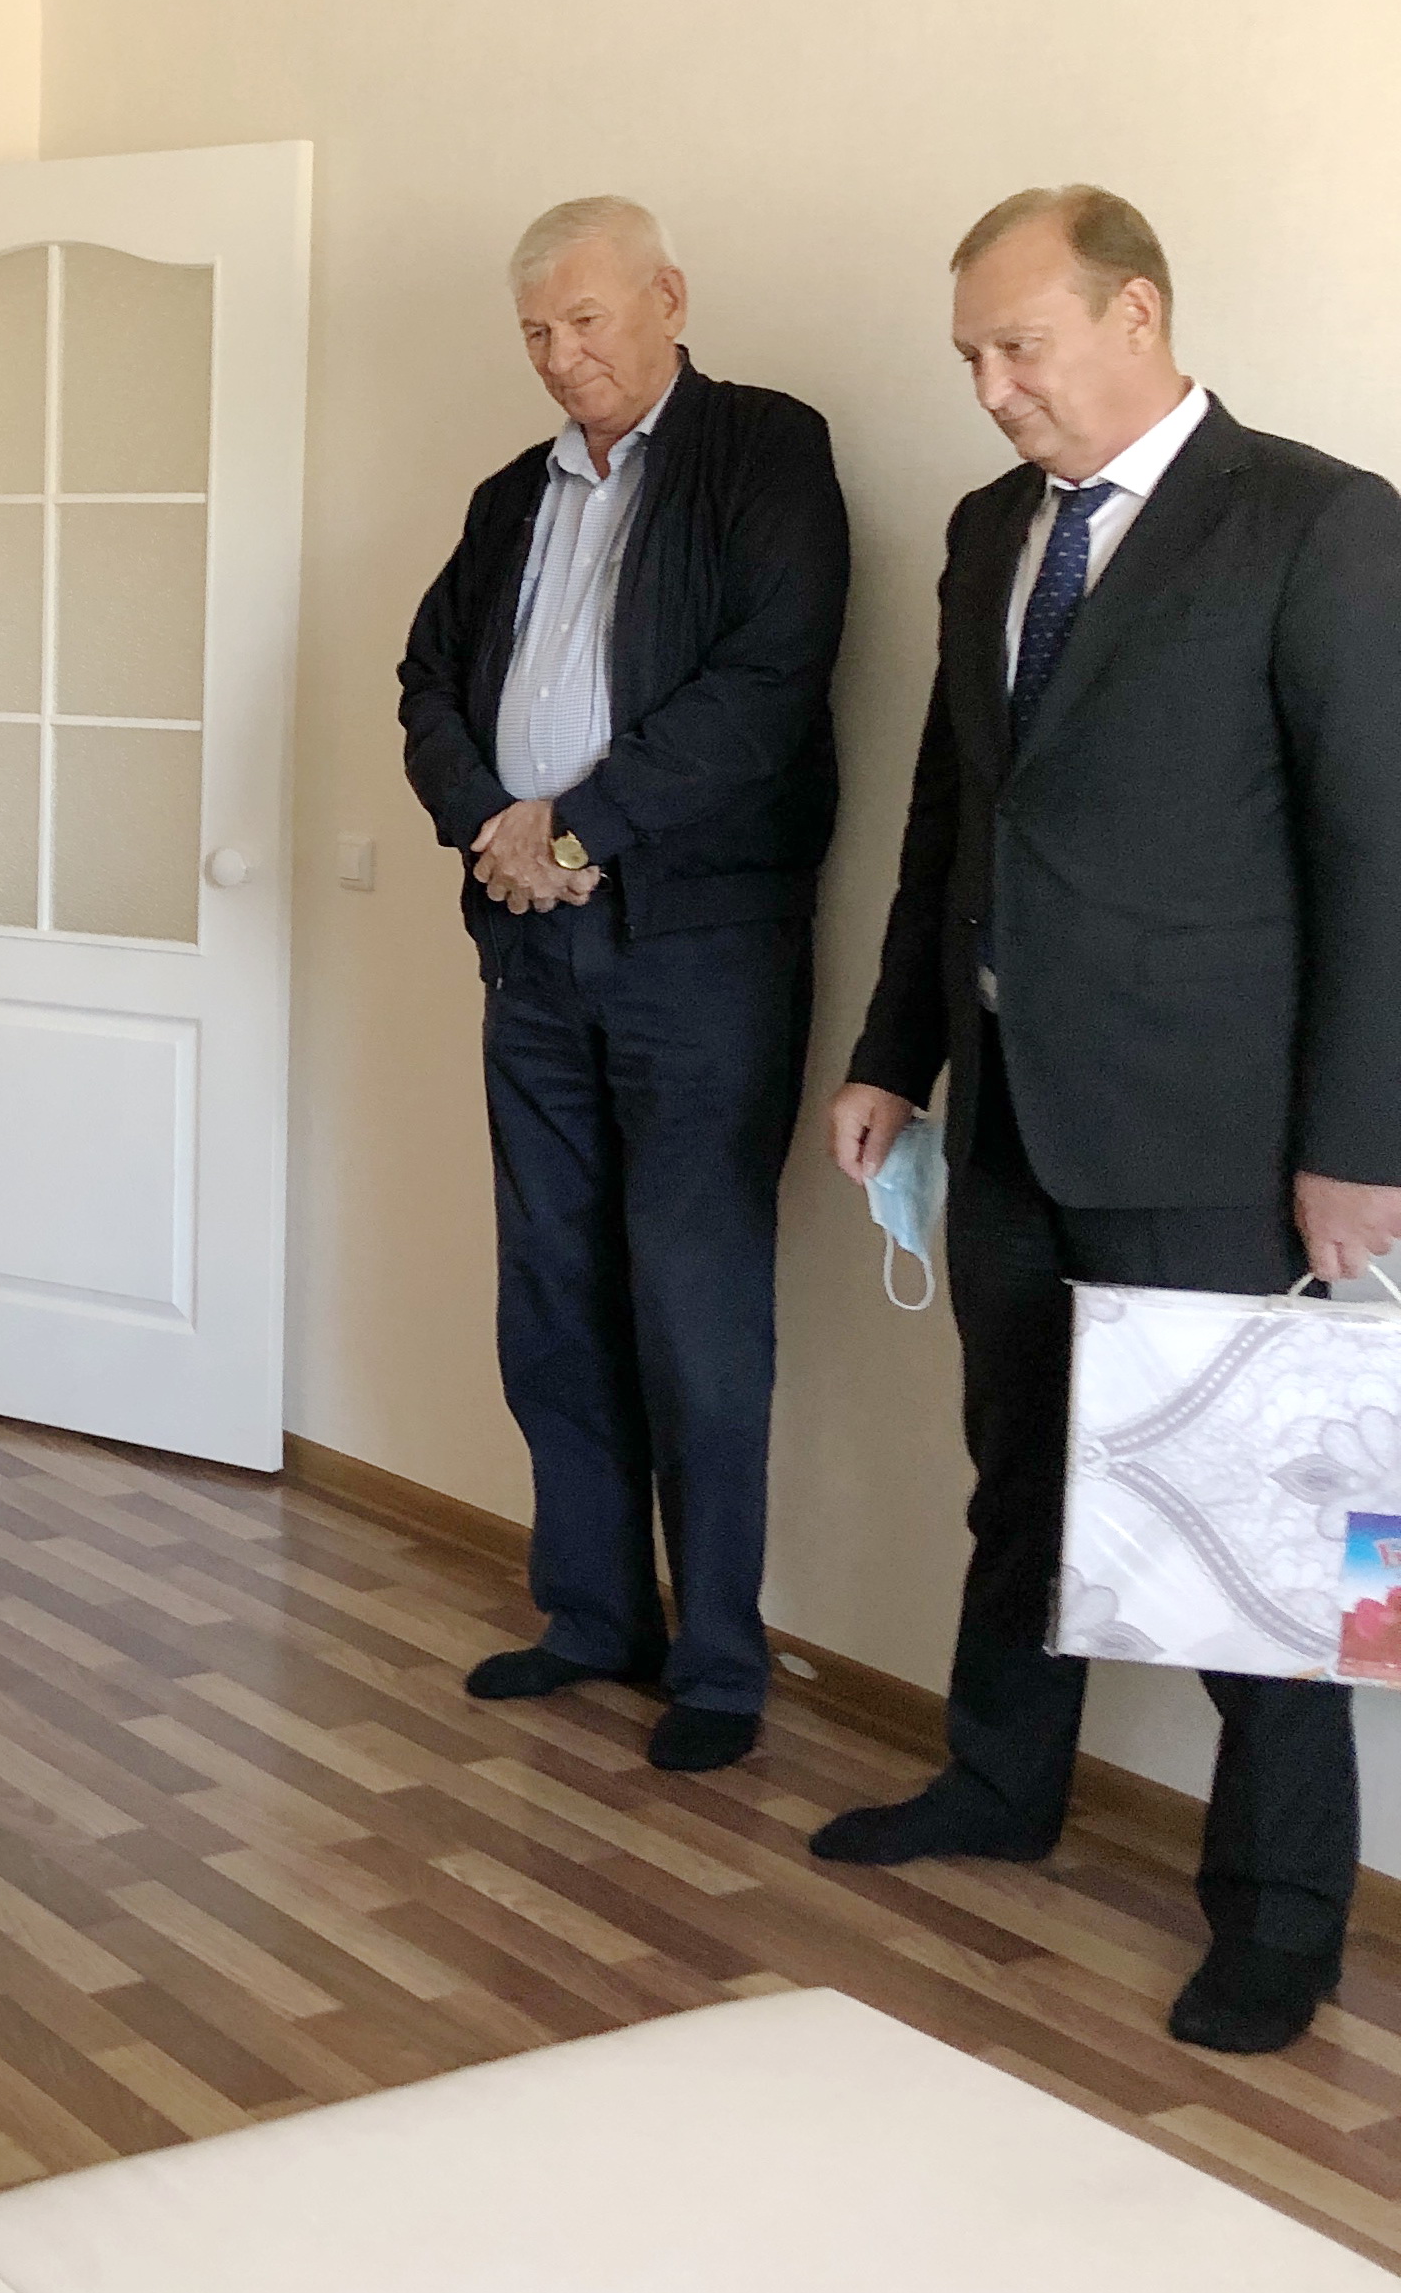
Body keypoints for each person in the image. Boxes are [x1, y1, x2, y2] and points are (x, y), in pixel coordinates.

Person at [814, 188, 1401, 2055]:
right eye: (970, 357)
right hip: (1006, 1118)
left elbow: (1377, 854)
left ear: (1133, 312)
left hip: (1214, 1135)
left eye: (1019, 347)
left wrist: (1359, 1144)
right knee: (1021, 1484)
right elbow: (949, 818)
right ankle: (1000, 1783)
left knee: (1248, 1529)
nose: (991, 388)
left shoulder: (1317, 520)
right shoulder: (989, 529)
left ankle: (1282, 1915)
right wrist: (891, 1052)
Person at [397, 198, 850, 1771]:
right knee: (554, 1293)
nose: (559, 356)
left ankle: (718, 1658)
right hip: (529, 945)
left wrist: (577, 827)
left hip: (699, 955)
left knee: (693, 1301)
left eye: (585, 320)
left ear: (668, 298)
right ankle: (593, 1614)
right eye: (535, 331)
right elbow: (427, 683)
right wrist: (493, 827)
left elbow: (764, 689)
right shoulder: (510, 497)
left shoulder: (765, 451)